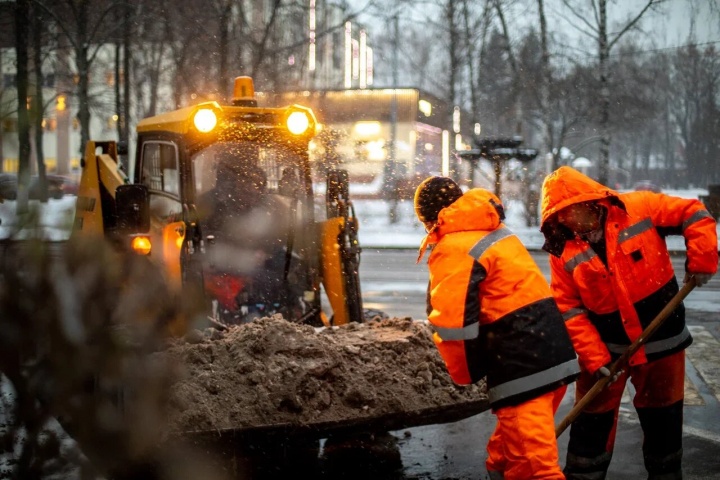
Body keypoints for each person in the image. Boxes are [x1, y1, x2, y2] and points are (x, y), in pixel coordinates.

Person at [539, 166, 718, 480]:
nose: (568, 224)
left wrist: (703, 259)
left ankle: (666, 475)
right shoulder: (563, 246)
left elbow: (693, 212)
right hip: (606, 353)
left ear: (588, 202)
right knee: (590, 424)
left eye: (569, 215)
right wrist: (595, 360)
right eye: (559, 219)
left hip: (663, 344)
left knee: (663, 419)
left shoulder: (640, 207)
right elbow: (569, 309)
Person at [414, 176, 580, 480]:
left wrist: (465, 375)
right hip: (549, 353)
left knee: (536, 468)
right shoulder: (491, 229)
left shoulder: (454, 245)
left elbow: (453, 325)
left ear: (430, 218)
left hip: (521, 365)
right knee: (510, 454)